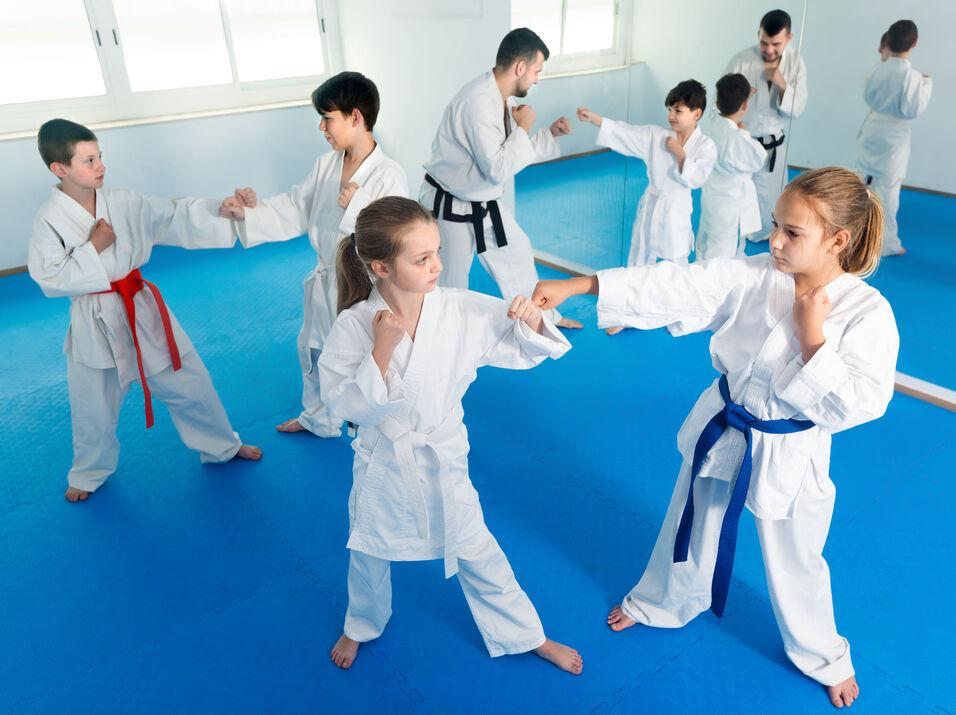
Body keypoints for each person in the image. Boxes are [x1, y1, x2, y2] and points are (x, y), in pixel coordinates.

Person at [532, 167, 899, 708]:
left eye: (792, 233)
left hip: (791, 446)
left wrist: (813, 336)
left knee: (798, 558)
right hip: (727, 423)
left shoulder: (867, 312)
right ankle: (664, 600)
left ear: (838, 241)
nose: (774, 240)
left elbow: (861, 404)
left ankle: (824, 654)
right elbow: (681, 283)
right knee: (692, 518)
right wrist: (584, 285)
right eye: (776, 225)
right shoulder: (758, 274)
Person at [319, 196, 582, 675]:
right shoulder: (355, 325)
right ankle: (360, 625)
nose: (439, 265)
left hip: (442, 459)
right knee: (369, 551)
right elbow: (343, 404)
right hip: (384, 462)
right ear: (380, 266)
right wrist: (381, 350)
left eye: (437, 251)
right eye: (422, 259)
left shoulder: (459, 308)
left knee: (477, 547)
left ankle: (526, 634)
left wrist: (532, 318)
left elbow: (522, 345)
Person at [28, 119, 261, 503]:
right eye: (88, 161)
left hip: (139, 304)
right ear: (60, 169)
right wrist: (95, 248)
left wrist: (219, 208)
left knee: (189, 380)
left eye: (100, 156)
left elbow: (172, 214)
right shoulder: (48, 219)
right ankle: (88, 472)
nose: (100, 166)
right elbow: (49, 278)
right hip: (94, 316)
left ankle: (221, 445)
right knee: (93, 404)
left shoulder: (123, 201)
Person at [221, 72, 408, 436]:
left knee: (363, 355)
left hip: (362, 286)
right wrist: (250, 213)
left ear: (355, 117)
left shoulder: (388, 174)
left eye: (328, 118)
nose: (322, 127)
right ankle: (319, 418)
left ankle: (372, 420)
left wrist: (360, 205)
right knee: (314, 349)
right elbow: (296, 206)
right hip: (325, 277)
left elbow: (398, 236)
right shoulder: (327, 164)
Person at [419, 27, 582, 330]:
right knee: (450, 279)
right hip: (451, 205)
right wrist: (525, 126)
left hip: (480, 200)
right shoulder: (478, 102)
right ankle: (443, 340)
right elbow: (497, 167)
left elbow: (506, 153)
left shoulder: (498, 98)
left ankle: (542, 317)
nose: (536, 78)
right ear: (520, 67)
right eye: (536, 70)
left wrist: (546, 134)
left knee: (517, 251)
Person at [578, 80, 716, 334]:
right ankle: (628, 313)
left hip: (675, 207)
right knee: (639, 255)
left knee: (677, 259)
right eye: (670, 110)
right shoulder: (657, 135)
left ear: (696, 114)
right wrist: (595, 119)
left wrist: (680, 154)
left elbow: (697, 179)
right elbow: (626, 133)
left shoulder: (706, 146)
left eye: (678, 111)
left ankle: (682, 309)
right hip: (652, 203)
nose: (670, 116)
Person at [726, 9, 808, 242]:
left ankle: (771, 235)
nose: (769, 49)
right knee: (740, 195)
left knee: (775, 194)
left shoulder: (796, 63)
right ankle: (744, 236)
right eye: (763, 42)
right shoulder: (741, 61)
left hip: (774, 143)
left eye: (776, 44)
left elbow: (799, 107)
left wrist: (782, 85)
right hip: (745, 140)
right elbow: (722, 102)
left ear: (789, 38)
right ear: (758, 34)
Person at [856, 20, 932, 257]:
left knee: (862, 181)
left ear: (887, 42)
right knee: (888, 189)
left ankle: (856, 233)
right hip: (894, 135)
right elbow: (912, 110)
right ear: (915, 43)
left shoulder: (877, 69)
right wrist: (925, 84)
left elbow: (868, 95)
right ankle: (886, 243)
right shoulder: (912, 77)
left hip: (873, 126)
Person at [696, 73, 767, 260]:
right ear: (744, 105)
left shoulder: (711, 124)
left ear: (717, 103)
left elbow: (719, 109)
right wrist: (744, 133)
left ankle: (699, 274)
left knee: (708, 238)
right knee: (723, 248)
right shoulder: (737, 139)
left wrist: (741, 99)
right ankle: (712, 286)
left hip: (711, 194)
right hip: (730, 202)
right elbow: (759, 158)